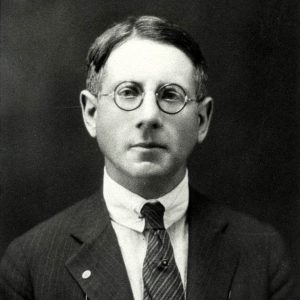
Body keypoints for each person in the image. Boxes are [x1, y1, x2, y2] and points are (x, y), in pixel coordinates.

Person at [0, 15, 295, 300]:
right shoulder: (30, 264)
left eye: (170, 95)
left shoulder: (261, 253)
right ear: (91, 113)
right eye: (128, 92)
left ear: (202, 119)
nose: (149, 116)